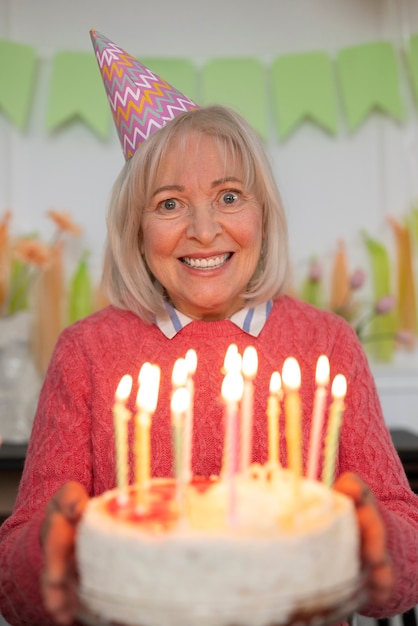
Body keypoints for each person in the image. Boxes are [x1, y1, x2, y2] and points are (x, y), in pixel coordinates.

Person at [1, 31, 417, 626]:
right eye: (169, 204)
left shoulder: (327, 345)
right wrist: (47, 552)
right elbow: (16, 577)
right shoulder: (88, 353)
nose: (203, 229)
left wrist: (375, 543)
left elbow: (404, 542)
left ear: (264, 215)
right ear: (136, 230)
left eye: (229, 196)